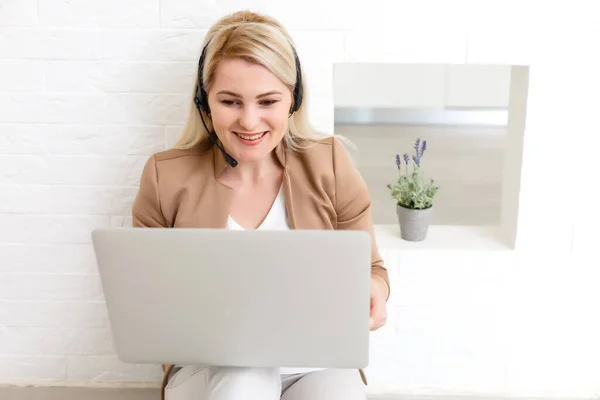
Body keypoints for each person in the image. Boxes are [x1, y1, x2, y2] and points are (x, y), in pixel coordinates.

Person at [131, 10, 390, 400]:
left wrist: (373, 289)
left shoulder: (330, 163)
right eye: (230, 101)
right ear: (205, 103)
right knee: (242, 382)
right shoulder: (164, 176)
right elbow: (142, 291)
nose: (250, 122)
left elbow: (371, 267)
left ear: (293, 100)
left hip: (313, 359)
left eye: (267, 101)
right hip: (209, 365)